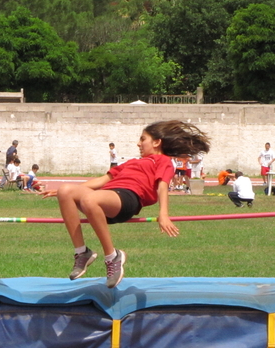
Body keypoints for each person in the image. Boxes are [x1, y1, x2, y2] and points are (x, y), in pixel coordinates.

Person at [40, 120, 210, 289]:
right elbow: (103, 180)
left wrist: (163, 214)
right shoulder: (131, 162)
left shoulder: (163, 161)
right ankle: (82, 252)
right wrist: (68, 191)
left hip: (128, 198)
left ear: (157, 142)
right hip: (106, 196)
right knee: (65, 190)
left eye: (143, 139)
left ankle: (112, 257)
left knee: (89, 199)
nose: (138, 143)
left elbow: (162, 186)